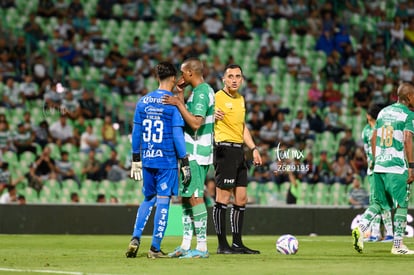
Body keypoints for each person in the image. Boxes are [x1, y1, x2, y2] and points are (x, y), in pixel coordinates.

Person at [125, 61, 190, 259]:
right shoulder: (172, 103)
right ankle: (155, 248)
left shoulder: (143, 101)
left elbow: (136, 133)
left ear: (157, 78)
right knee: (163, 200)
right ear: (172, 78)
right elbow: (177, 136)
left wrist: (136, 158)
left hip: (147, 158)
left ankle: (135, 237)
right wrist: (185, 162)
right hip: (167, 160)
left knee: (147, 198)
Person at [353, 83, 414, 255]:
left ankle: (361, 227)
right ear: (409, 97)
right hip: (397, 166)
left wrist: (377, 159)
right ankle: (397, 245)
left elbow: (374, 138)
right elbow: (408, 140)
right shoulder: (408, 115)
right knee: (402, 203)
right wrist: (412, 167)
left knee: (379, 204)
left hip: (379, 166)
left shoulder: (383, 112)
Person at [162, 57, 214, 259]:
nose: (180, 77)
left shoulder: (202, 93)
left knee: (195, 197)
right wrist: (181, 96)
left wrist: (176, 102)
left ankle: (201, 247)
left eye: (182, 73)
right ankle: (185, 244)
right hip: (189, 152)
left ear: (190, 73)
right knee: (185, 199)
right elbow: (188, 116)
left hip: (196, 151)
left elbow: (195, 123)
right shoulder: (197, 92)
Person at [213, 64, 263, 254]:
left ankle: (237, 243)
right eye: (230, 76)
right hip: (224, 149)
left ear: (242, 80)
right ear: (223, 79)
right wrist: (211, 115)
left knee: (241, 198)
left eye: (238, 76)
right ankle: (221, 244)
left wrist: (253, 148)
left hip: (239, 151)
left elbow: (242, 127)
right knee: (223, 198)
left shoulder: (241, 99)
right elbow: (197, 116)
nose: (234, 79)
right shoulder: (216, 97)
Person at [360, 104, 393, 242]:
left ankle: (385, 233)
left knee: (379, 201)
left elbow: (370, 150)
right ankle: (377, 234)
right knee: (378, 201)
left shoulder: (373, 130)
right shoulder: (374, 129)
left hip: (377, 169)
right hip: (379, 169)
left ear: (368, 116)